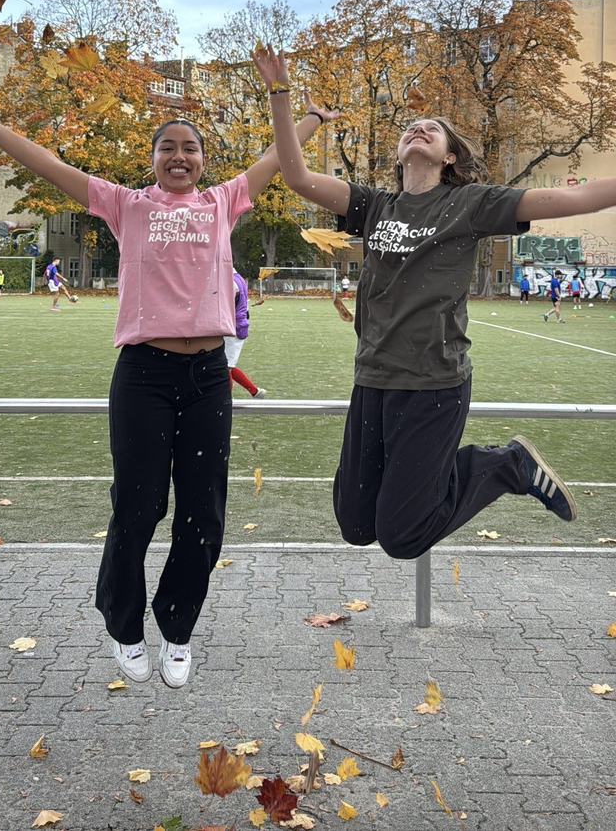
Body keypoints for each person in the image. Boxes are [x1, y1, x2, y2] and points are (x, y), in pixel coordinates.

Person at [0, 83, 335, 688]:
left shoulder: (223, 202)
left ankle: (177, 629)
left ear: (201, 159)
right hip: (143, 374)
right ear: (153, 159)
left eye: (189, 148)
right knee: (138, 507)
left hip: (208, 378)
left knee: (204, 514)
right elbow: (49, 163)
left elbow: (277, 156)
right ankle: (124, 627)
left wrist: (313, 118)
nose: (179, 156)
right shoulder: (125, 205)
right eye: (167, 147)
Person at [254, 45, 616, 563]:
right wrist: (281, 93)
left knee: (402, 537)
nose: (417, 129)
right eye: (410, 127)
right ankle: (472, 471)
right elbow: (296, 177)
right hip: (372, 378)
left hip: (434, 383)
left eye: (432, 127)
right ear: (399, 153)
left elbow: (570, 199)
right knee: (356, 526)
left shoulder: (469, 204)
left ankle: (508, 465)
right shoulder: (374, 205)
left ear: (450, 156)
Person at [225, 269, 267, 399]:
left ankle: (226, 403)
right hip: (236, 326)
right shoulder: (238, 278)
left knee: (225, 368)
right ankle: (255, 391)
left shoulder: (230, 281)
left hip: (232, 327)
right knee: (225, 365)